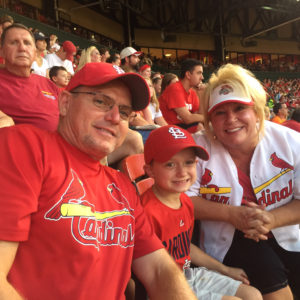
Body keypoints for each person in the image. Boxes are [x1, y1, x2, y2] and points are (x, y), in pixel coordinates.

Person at [0, 62, 197, 300]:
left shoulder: (122, 186)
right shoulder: (25, 147)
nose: (115, 117)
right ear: (65, 103)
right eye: (101, 101)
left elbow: (158, 269)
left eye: (124, 112)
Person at [187, 63, 300, 300]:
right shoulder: (196, 148)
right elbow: (183, 200)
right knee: (278, 292)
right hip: (229, 236)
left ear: (257, 110)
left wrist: (271, 219)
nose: (231, 119)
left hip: (286, 228)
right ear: (209, 119)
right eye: (220, 112)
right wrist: (231, 215)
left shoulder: (289, 141)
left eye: (240, 108)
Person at [141, 125, 262, 300]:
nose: (182, 172)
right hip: (163, 286)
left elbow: (184, 247)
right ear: (150, 170)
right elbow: (146, 273)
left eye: (188, 162)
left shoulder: (185, 201)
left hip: (186, 274)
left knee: (253, 295)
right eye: (170, 164)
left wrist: (224, 269)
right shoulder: (146, 212)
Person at [0, 23, 59, 131]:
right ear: (2, 51)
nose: (22, 48)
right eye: (14, 42)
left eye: (27, 43)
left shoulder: (49, 84)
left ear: (34, 52)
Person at [159, 59, 204, 132]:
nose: (202, 77)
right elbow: (188, 119)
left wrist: (201, 93)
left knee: (207, 126)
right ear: (188, 75)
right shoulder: (175, 89)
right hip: (169, 130)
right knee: (201, 128)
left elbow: (198, 116)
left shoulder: (192, 92)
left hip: (182, 127)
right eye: (199, 73)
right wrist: (209, 117)